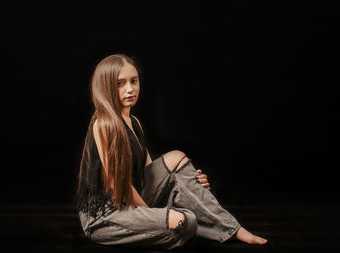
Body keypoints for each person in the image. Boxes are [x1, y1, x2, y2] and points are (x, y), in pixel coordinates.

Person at [75, 54, 268, 250]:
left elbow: (149, 175)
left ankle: (232, 229)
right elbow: (121, 187)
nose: (130, 89)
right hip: (105, 216)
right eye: (120, 83)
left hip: (131, 201)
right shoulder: (104, 124)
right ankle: (190, 221)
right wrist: (155, 216)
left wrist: (191, 181)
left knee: (177, 158)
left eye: (134, 81)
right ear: (106, 86)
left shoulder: (134, 123)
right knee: (187, 222)